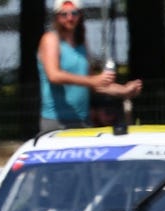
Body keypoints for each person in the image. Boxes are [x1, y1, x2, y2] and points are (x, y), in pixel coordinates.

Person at [37, 0, 142, 131]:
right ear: (57, 16)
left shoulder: (82, 43)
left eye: (74, 13)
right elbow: (54, 75)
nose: (70, 18)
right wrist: (93, 80)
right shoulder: (50, 39)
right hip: (56, 123)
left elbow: (93, 83)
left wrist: (124, 90)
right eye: (64, 14)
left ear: (80, 15)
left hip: (83, 121)